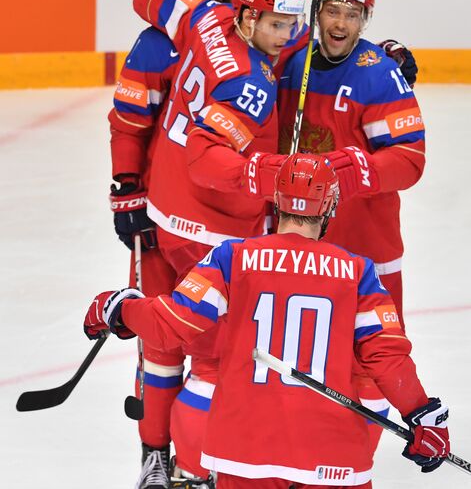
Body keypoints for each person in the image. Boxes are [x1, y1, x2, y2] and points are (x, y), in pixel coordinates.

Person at [84, 153, 450, 488]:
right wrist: (421, 414)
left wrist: (118, 308)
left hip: (244, 453)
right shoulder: (357, 272)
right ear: (330, 206)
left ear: (278, 202)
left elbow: (172, 323)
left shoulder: (232, 258)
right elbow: (387, 357)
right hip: (332, 455)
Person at [107, 0, 269, 486]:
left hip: (189, 214)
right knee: (169, 344)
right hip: (164, 216)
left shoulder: (217, 25)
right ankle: (159, 455)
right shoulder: (161, 44)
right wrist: (126, 186)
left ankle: (199, 455)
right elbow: (129, 120)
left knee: (197, 342)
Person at [277, 0, 426, 453]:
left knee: (368, 360)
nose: (341, 23)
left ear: (365, 19)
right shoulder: (291, 61)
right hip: (297, 242)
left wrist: (350, 168)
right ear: (317, 12)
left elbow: (410, 159)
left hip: (366, 244)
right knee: (292, 351)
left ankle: (351, 462)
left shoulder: (379, 73)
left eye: (353, 14)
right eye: (333, 11)